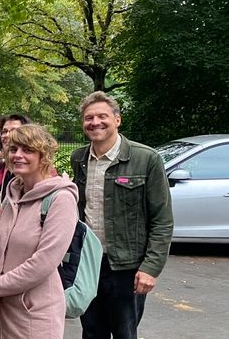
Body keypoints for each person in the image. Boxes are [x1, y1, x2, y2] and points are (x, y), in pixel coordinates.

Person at [70, 91, 173, 339]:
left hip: (127, 266)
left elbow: (162, 220)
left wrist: (151, 268)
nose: (95, 122)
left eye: (102, 116)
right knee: (92, 331)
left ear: (117, 120)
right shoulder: (79, 159)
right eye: (89, 118)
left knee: (125, 333)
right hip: (89, 263)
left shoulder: (145, 159)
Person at [0, 125, 79, 338]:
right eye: (13, 149)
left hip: (34, 314)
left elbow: (43, 262)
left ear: (44, 155)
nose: (18, 155)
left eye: (27, 150)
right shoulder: (12, 194)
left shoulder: (61, 199)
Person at [0, 114, 32, 204]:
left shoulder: (37, 172)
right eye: (4, 131)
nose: (7, 135)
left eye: (14, 131)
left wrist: (3, 214)